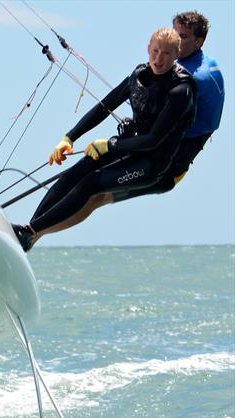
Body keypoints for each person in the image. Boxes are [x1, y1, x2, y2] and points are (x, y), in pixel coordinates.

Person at [13, 27, 196, 252]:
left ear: (176, 55)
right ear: (148, 49)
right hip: (128, 148)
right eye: (155, 51)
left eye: (166, 54)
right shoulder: (138, 76)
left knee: (91, 183)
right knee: (78, 171)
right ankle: (28, 232)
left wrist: (109, 145)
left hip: (151, 164)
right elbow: (104, 107)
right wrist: (69, 138)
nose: (158, 59)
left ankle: (30, 232)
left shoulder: (180, 90)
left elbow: (154, 140)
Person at [115, 10, 225, 202]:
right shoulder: (208, 63)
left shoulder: (189, 79)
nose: (175, 40)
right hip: (165, 152)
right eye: (174, 33)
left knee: (96, 194)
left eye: (182, 37)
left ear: (199, 42)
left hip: (168, 167)